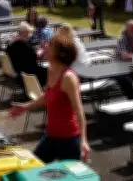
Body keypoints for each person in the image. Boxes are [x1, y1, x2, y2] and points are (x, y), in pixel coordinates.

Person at [9, 33, 90, 164]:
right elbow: (47, 97)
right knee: (34, 169)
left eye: (50, 45)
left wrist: (84, 140)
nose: (45, 46)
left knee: (70, 177)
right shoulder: (51, 70)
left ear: (59, 53)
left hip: (69, 139)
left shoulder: (68, 77)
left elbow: (79, 111)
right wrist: (26, 106)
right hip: (51, 135)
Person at [6, 21, 47, 87]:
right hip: (25, 74)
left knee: (44, 69)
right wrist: (42, 51)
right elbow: (33, 58)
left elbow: (28, 56)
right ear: (24, 33)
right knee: (47, 71)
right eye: (28, 32)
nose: (29, 35)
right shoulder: (23, 45)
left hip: (17, 69)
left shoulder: (11, 43)